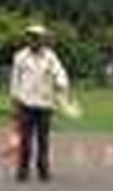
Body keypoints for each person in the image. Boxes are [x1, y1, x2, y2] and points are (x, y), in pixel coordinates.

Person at [10, 24, 70, 182]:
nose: (34, 40)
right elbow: (15, 81)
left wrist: (61, 84)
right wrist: (14, 102)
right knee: (25, 141)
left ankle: (43, 170)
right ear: (28, 39)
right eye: (31, 37)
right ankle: (22, 171)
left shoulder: (51, 57)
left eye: (37, 37)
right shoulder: (20, 57)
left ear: (43, 40)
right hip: (26, 104)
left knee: (43, 141)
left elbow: (60, 73)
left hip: (45, 104)